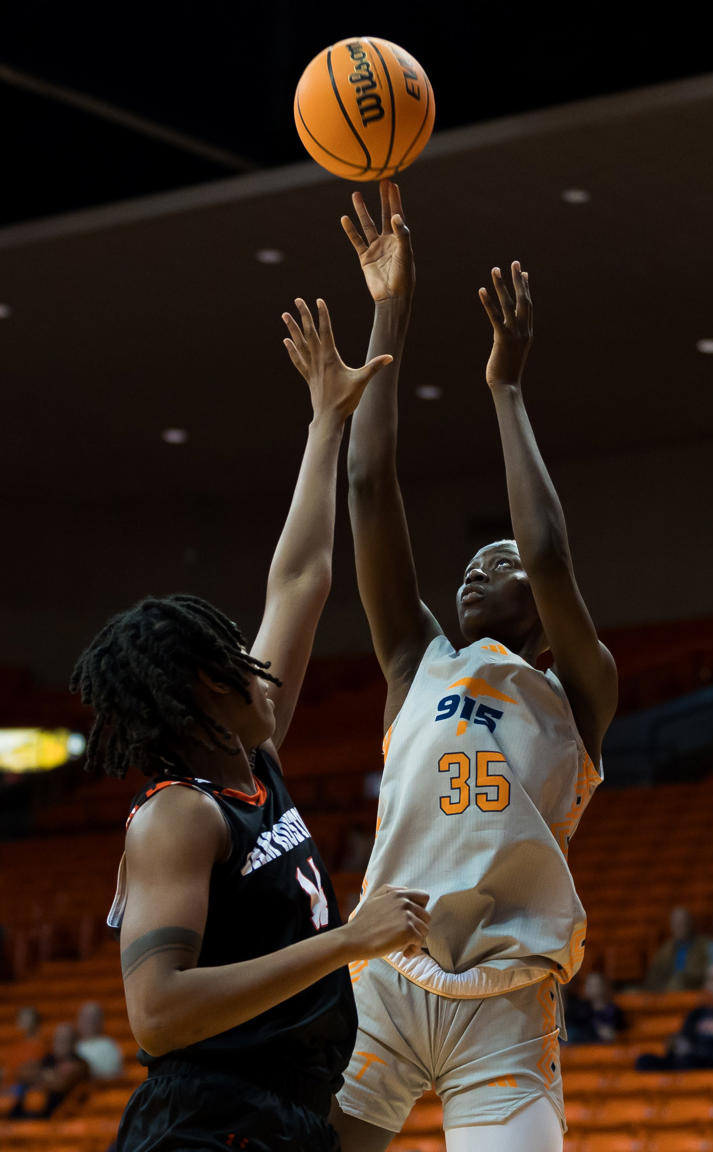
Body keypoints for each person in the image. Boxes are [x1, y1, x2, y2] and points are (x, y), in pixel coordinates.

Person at [69, 297, 430, 1152]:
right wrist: (349, 942)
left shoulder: (252, 764)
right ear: (205, 684)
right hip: (207, 1125)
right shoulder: (178, 816)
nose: (262, 665)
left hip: (284, 1117)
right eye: (239, 655)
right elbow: (156, 1016)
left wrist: (326, 420)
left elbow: (301, 578)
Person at [331, 182, 617, 1152]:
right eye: (469, 561)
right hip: (387, 978)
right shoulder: (417, 660)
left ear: (538, 611)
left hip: (507, 1006)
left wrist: (505, 387)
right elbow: (368, 486)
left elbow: (546, 554)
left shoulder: (579, 689)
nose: (475, 569)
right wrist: (391, 311)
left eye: (493, 566)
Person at [636, 963, 713, 1070]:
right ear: (706, 983)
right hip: (690, 1058)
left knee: (690, 1060)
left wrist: (712, 1053)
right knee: (644, 1060)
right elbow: (685, 1036)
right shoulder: (698, 1011)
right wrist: (676, 1043)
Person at [9, 1022, 89, 1118]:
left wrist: (41, 1077)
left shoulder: (80, 1064)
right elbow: (22, 1072)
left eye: (65, 1040)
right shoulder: (48, 1058)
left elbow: (61, 1085)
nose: (60, 1044)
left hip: (60, 1112)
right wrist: (48, 1077)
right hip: (33, 1108)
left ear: (74, 1042)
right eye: (57, 1039)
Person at [645, 906, 710, 992]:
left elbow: (709, 973)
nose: (679, 927)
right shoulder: (665, 949)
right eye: (676, 924)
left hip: (695, 991)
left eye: (683, 923)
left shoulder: (705, 945)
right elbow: (653, 976)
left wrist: (683, 979)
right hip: (667, 994)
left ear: (690, 924)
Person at [563, 972, 626, 1044]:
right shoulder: (579, 1009)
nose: (589, 987)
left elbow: (621, 1032)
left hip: (607, 1047)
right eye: (588, 984)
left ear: (603, 986)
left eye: (594, 985)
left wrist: (613, 1034)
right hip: (584, 1046)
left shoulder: (614, 1010)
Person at [75, 1001, 123, 1080]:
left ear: (101, 1021)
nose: (90, 1023)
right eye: (85, 1018)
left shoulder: (109, 1046)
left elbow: (113, 1073)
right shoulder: (74, 1046)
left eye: (93, 1018)